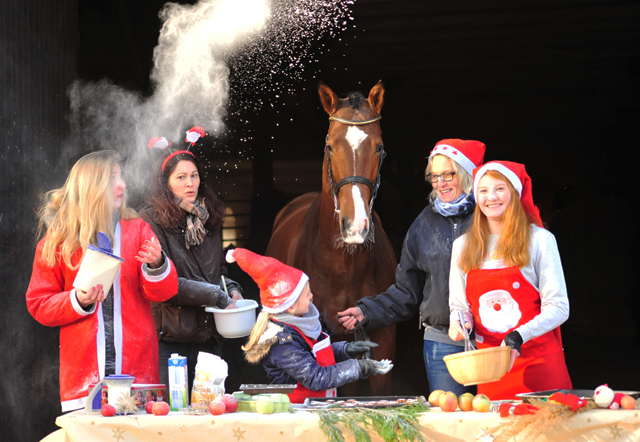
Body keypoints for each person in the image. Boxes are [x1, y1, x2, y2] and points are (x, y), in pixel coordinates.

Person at [25, 150, 178, 412]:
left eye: (121, 176)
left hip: (137, 376)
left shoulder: (137, 229)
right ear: (92, 186)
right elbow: (39, 304)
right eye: (113, 178)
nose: (123, 185)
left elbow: (164, 292)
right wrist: (77, 299)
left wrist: (157, 264)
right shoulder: (59, 238)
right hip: (83, 381)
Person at [337, 139, 486, 396]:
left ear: (466, 173)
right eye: (434, 176)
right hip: (444, 340)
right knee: (452, 424)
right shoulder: (423, 225)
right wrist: (366, 311)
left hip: (494, 338)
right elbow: (407, 292)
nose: (440, 183)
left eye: (448, 174)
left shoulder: (491, 217)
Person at [448, 161, 572, 400]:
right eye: (483, 191)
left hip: (540, 367)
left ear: (514, 193)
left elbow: (559, 307)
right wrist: (459, 321)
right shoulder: (462, 247)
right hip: (492, 373)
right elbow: (459, 307)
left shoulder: (540, 240)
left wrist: (519, 335)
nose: (491, 197)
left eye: (500, 189)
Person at [227, 248, 392, 403]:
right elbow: (316, 377)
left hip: (313, 408)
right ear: (290, 305)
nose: (312, 296)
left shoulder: (299, 323)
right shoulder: (282, 341)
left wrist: (346, 350)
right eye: (307, 294)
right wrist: (359, 367)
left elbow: (313, 356)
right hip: (294, 413)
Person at [139, 149, 244, 393]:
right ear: (165, 183)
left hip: (208, 335)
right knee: (173, 418)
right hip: (171, 338)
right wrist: (218, 296)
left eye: (194, 176)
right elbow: (164, 283)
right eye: (181, 177)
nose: (190, 183)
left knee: (210, 413)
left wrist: (233, 290)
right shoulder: (151, 220)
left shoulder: (212, 216)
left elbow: (218, 271)